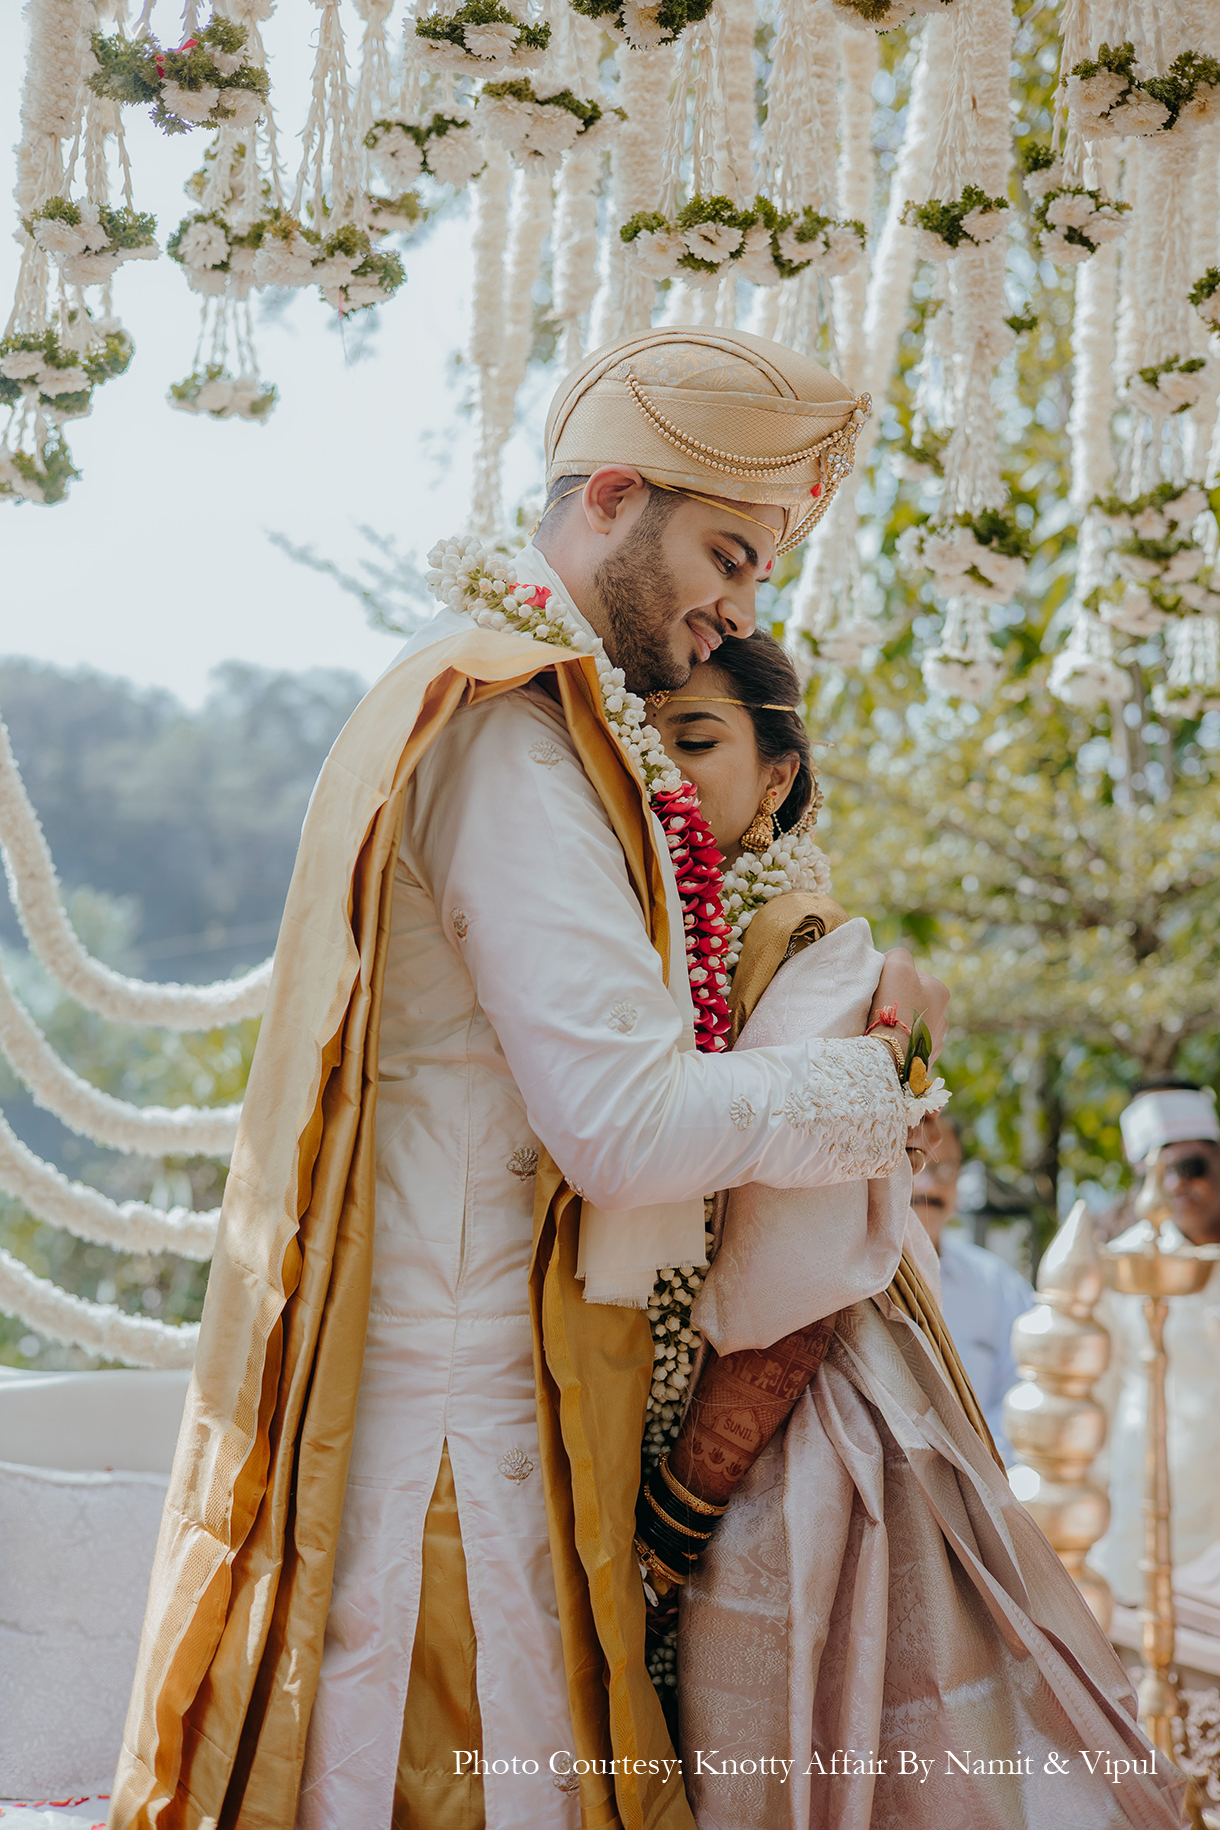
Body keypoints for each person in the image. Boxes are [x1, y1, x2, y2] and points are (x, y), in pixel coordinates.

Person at [108, 329, 946, 1830]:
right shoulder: (514, 732)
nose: (732, 615)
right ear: (613, 494)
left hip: (500, 1410)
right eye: (727, 555)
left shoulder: (521, 710)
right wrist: (881, 1088)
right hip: (452, 1445)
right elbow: (625, 1126)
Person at [648, 661, 1183, 1830]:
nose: (658, 771)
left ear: (777, 773)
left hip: (794, 1455)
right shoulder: (691, 947)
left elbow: (788, 1291)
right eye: (641, 740)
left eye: (694, 740)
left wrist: (670, 1521)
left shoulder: (815, 958)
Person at [1093, 1079, 1220, 1606]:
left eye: (1192, 1168)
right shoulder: (1122, 1266)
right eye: (1159, 1173)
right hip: (1143, 1501)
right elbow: (1099, 1387)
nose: (1177, 1185)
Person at [910, 1115, 1035, 1464]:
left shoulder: (997, 1285)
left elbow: (1027, 1386)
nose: (931, 1186)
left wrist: (976, 1464)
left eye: (946, 1167)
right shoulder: (851, 1286)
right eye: (916, 1161)